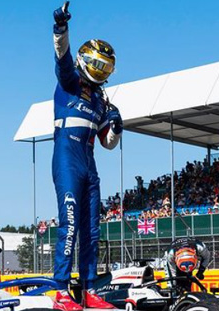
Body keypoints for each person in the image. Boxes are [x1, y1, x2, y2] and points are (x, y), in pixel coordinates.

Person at [51, 2, 123, 290]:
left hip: (89, 165)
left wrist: (117, 124)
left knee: (92, 231)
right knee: (69, 226)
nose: (99, 70)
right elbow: (62, 56)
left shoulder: (100, 101)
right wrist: (61, 27)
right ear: (84, 60)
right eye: (96, 64)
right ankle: (60, 288)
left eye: (105, 67)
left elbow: (108, 144)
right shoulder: (69, 82)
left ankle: (89, 287)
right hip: (67, 158)